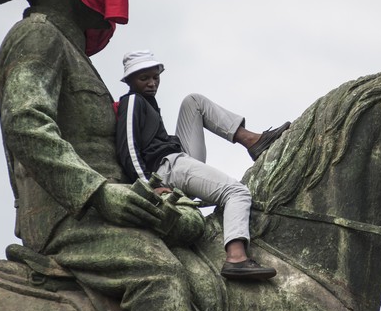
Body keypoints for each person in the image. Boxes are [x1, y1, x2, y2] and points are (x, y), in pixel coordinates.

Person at [0, 0, 203, 311]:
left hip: (104, 207)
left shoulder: (74, 52)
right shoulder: (37, 36)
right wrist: (99, 192)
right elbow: (26, 123)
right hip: (70, 218)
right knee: (158, 274)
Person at [115, 50, 290, 279]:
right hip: (166, 169)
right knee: (236, 192)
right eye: (144, 78)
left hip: (179, 158)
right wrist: (148, 187)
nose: (152, 83)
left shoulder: (149, 103)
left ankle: (252, 140)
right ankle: (236, 258)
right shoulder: (133, 102)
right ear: (129, 80)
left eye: (155, 77)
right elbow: (127, 148)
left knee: (193, 101)